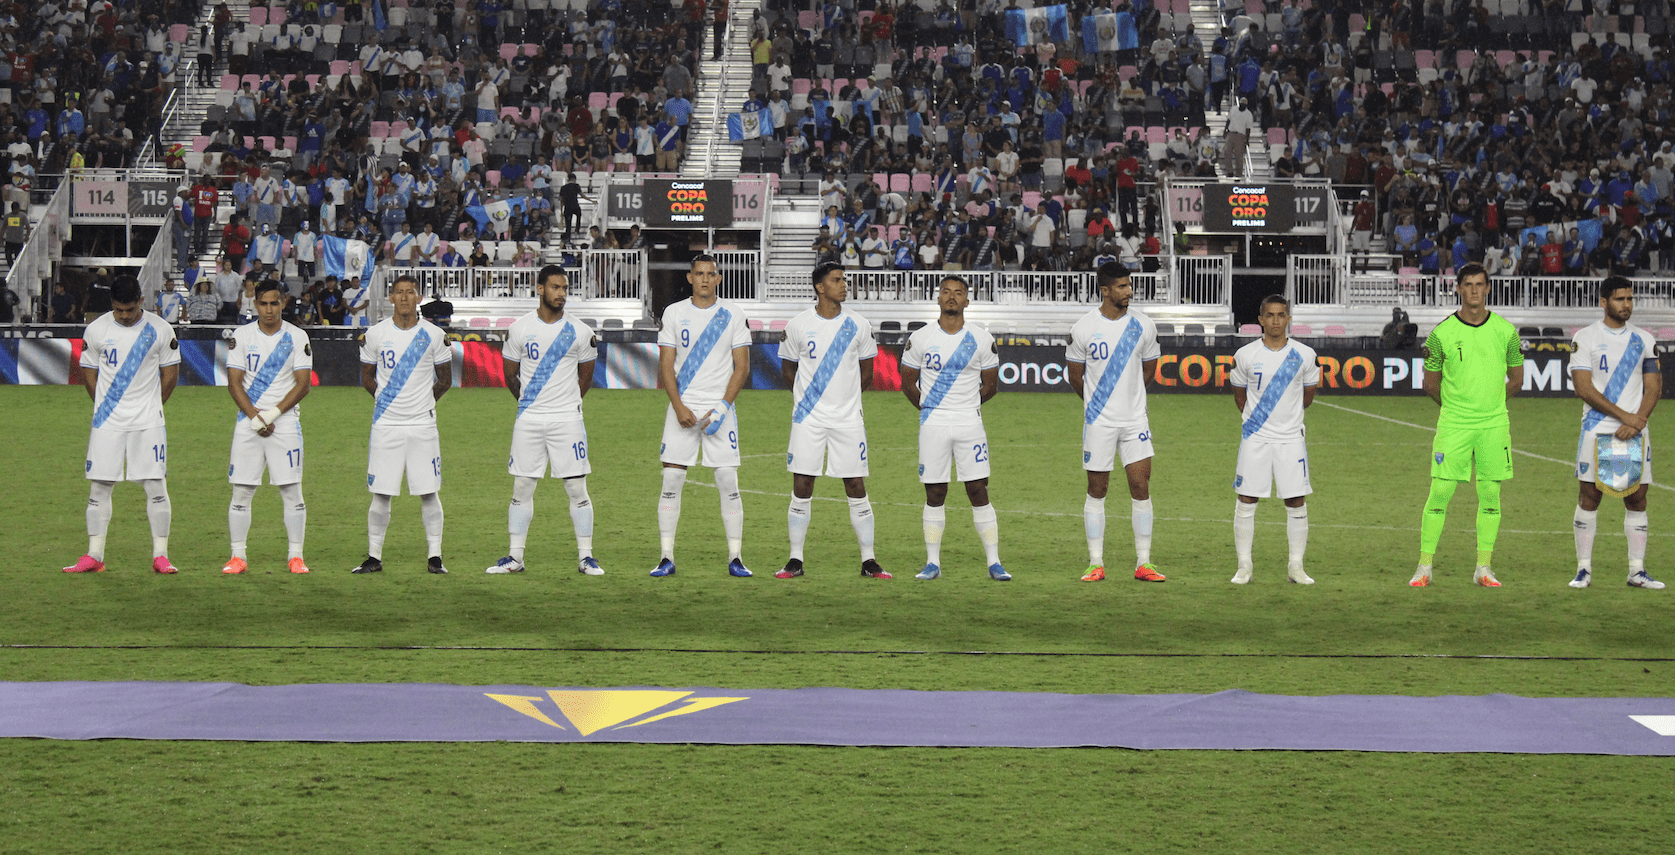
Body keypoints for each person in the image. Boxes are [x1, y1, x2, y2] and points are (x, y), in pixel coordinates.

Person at [486, 266, 605, 576]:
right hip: (529, 420)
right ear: (540, 289)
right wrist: (530, 404)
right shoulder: (520, 329)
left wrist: (565, 405)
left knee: (577, 487)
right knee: (522, 486)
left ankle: (586, 557)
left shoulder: (580, 331)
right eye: (555, 287)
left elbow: (586, 378)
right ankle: (515, 557)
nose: (561, 293)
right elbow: (510, 374)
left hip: (567, 419)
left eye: (565, 287)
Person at [1412, 263, 1524, 588]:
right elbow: (1430, 384)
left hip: (1493, 426)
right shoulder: (1442, 334)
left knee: (1490, 494)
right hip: (1454, 425)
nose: (1474, 290)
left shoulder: (1506, 331)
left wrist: (1490, 405)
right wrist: (1458, 410)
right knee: (1440, 492)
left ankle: (1483, 568)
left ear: (1487, 288)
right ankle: (1424, 567)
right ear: (1458, 288)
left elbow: (1516, 379)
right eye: (1468, 284)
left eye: (1479, 284)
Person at [63, 276, 182, 575]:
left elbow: (170, 373)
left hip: (147, 422)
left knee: (155, 485)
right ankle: (95, 556)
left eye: (129, 309)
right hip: (108, 421)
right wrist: (103, 406)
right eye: (119, 310)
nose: (125, 316)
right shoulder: (97, 329)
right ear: (112, 306)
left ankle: (161, 555)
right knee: (100, 486)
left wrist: (153, 407)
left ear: (141, 301)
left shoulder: (161, 329)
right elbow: (87, 370)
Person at [775, 262, 887, 579]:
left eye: (844, 280)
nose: (843, 285)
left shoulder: (859, 325)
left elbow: (868, 372)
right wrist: (808, 400)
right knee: (803, 484)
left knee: (855, 484)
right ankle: (795, 559)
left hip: (848, 419)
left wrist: (846, 401)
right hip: (808, 419)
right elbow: (788, 370)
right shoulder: (797, 325)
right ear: (820, 287)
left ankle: (869, 560)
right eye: (836, 280)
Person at [650, 255, 753, 578]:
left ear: (718, 279)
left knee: (727, 481)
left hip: (718, 410)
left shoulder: (733, 314)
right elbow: (666, 365)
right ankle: (666, 556)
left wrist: (723, 408)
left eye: (711, 274)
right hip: (683, 408)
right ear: (690, 277)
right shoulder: (675, 312)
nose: (705, 279)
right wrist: (679, 406)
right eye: (699, 274)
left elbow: (742, 367)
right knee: (672, 479)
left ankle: (735, 557)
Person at [899, 275, 1007, 581]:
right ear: (937, 298)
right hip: (933, 423)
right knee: (935, 491)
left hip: (969, 423)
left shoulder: (981, 339)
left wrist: (965, 408)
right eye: (946, 292)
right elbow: (907, 382)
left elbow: (990, 386)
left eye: (958, 293)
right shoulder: (920, 338)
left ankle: (994, 562)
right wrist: (931, 409)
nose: (951, 297)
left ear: (967, 301)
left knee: (978, 489)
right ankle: (932, 563)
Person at [1066, 262, 1164, 583]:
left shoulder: (1144, 326)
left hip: (1135, 421)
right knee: (1098, 489)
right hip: (1098, 423)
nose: (1129, 291)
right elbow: (1075, 377)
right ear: (1105, 290)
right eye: (1122, 287)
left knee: (1141, 486)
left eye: (1130, 285)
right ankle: (1096, 563)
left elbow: (1149, 370)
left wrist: (1130, 400)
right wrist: (1100, 404)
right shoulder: (1082, 328)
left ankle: (1144, 563)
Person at [352, 274, 453, 575]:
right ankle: (373, 556)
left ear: (419, 298)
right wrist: (385, 401)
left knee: (429, 491)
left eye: (411, 292)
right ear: (391, 298)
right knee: (381, 492)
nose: (405, 298)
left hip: (422, 424)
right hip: (387, 424)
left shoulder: (434, 335)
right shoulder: (376, 334)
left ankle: (435, 556)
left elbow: (445, 380)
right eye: (399, 293)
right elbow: (367, 376)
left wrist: (424, 403)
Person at [1568, 277, 1664, 590]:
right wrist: (1627, 418)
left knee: (1637, 498)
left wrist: (1638, 420)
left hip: (1635, 428)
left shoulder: (1644, 339)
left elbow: (1654, 387)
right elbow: (1583, 388)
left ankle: (1636, 571)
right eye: (1620, 299)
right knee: (1589, 495)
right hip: (1598, 427)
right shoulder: (1585, 338)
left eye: (1630, 299)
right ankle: (1583, 570)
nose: (1626, 304)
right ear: (1603, 301)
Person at [222, 280, 313, 575]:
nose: (269, 309)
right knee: (242, 492)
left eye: (275, 303)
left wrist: (270, 415)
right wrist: (255, 417)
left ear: (283, 303)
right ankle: (238, 557)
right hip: (249, 422)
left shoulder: (298, 337)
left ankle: (296, 556)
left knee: (291, 491)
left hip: (284, 422)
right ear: (254, 303)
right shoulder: (242, 336)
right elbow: (234, 382)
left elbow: (302, 386)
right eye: (263, 303)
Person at [1228, 295, 1319, 584]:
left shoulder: (1304, 355)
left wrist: (1286, 420)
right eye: (1270, 315)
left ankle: (1296, 567)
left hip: (1291, 439)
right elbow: (1240, 397)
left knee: (1295, 500)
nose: (1276, 320)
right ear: (1260, 320)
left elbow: (1307, 397)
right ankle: (1244, 566)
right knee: (1246, 499)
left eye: (1281, 315)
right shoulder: (1245, 355)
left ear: (1289, 319)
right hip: (1255, 437)